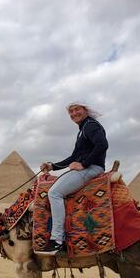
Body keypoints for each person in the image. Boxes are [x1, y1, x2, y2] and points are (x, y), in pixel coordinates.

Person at [37, 102, 108, 255]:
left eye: (77, 109)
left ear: (86, 110)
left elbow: (102, 145)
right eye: (71, 111)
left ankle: (56, 240)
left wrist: (84, 164)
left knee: (54, 193)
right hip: (89, 167)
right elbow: (74, 157)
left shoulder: (90, 125)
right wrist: (52, 166)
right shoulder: (83, 129)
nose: (74, 113)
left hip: (92, 168)